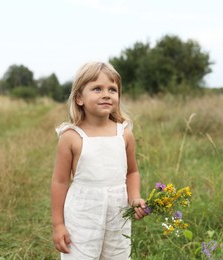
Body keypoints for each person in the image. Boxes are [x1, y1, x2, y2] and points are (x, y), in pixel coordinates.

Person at [51, 61, 147, 259]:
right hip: (82, 215)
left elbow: (132, 171)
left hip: (117, 213)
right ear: (79, 98)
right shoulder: (71, 136)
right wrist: (58, 224)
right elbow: (60, 182)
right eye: (97, 88)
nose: (106, 94)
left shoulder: (124, 133)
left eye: (112, 89)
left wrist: (135, 197)